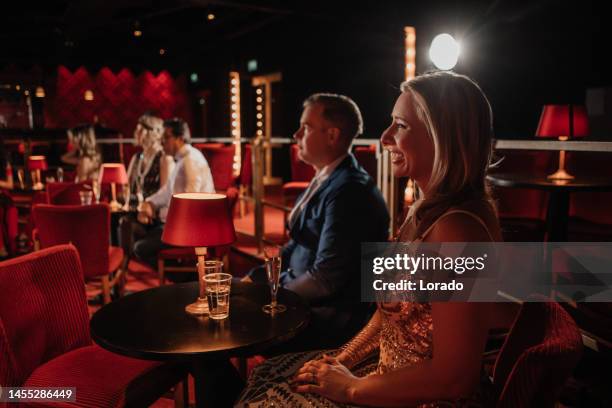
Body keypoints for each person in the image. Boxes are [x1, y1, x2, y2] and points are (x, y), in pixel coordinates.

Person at [236, 72, 519, 407]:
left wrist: (351, 388)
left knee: (265, 395)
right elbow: (386, 314)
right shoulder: (421, 213)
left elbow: (455, 377)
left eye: (400, 125)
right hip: (388, 375)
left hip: (423, 399)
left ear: (441, 135)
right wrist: (342, 359)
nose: (385, 138)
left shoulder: (458, 230)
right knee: (264, 376)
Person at [246, 93, 390, 351]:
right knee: (229, 305)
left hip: (330, 317)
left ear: (333, 136)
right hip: (300, 294)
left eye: (306, 127)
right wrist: (256, 278)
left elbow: (326, 279)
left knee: (230, 327)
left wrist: (272, 295)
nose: (296, 134)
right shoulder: (327, 176)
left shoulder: (350, 191)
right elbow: (298, 244)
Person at [133, 117, 215, 268]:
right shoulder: (182, 159)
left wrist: (162, 217)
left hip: (191, 227)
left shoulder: (191, 160)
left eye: (166, 137)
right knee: (135, 229)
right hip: (181, 223)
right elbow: (166, 192)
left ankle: (182, 278)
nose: (162, 142)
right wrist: (148, 203)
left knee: (139, 246)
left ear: (180, 138)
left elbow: (192, 201)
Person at [118, 113, 175, 256]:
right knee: (114, 219)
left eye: (140, 130)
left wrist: (141, 204)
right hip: (137, 209)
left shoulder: (164, 158)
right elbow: (126, 188)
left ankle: (124, 266)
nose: (135, 133)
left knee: (125, 223)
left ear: (153, 133)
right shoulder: (136, 157)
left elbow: (164, 194)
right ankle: (116, 265)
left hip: (156, 216)